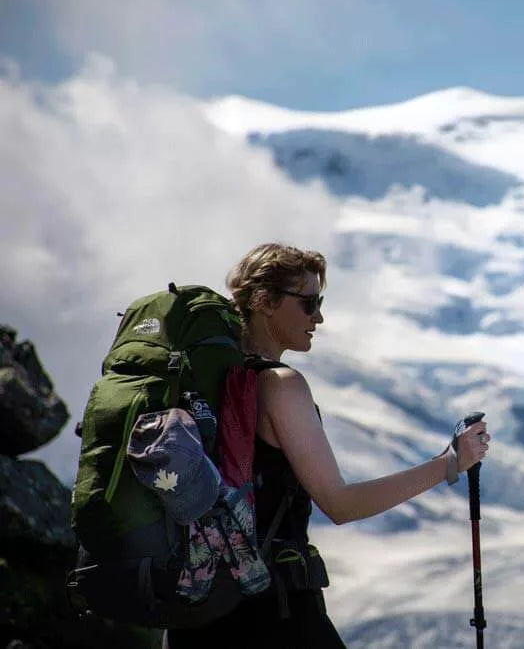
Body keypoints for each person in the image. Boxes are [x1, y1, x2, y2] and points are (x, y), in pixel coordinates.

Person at [166, 242, 490, 648]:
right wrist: (449, 464)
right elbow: (341, 505)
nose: (318, 317)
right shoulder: (279, 386)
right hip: (271, 613)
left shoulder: (204, 383)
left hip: (195, 613)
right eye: (309, 303)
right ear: (265, 301)